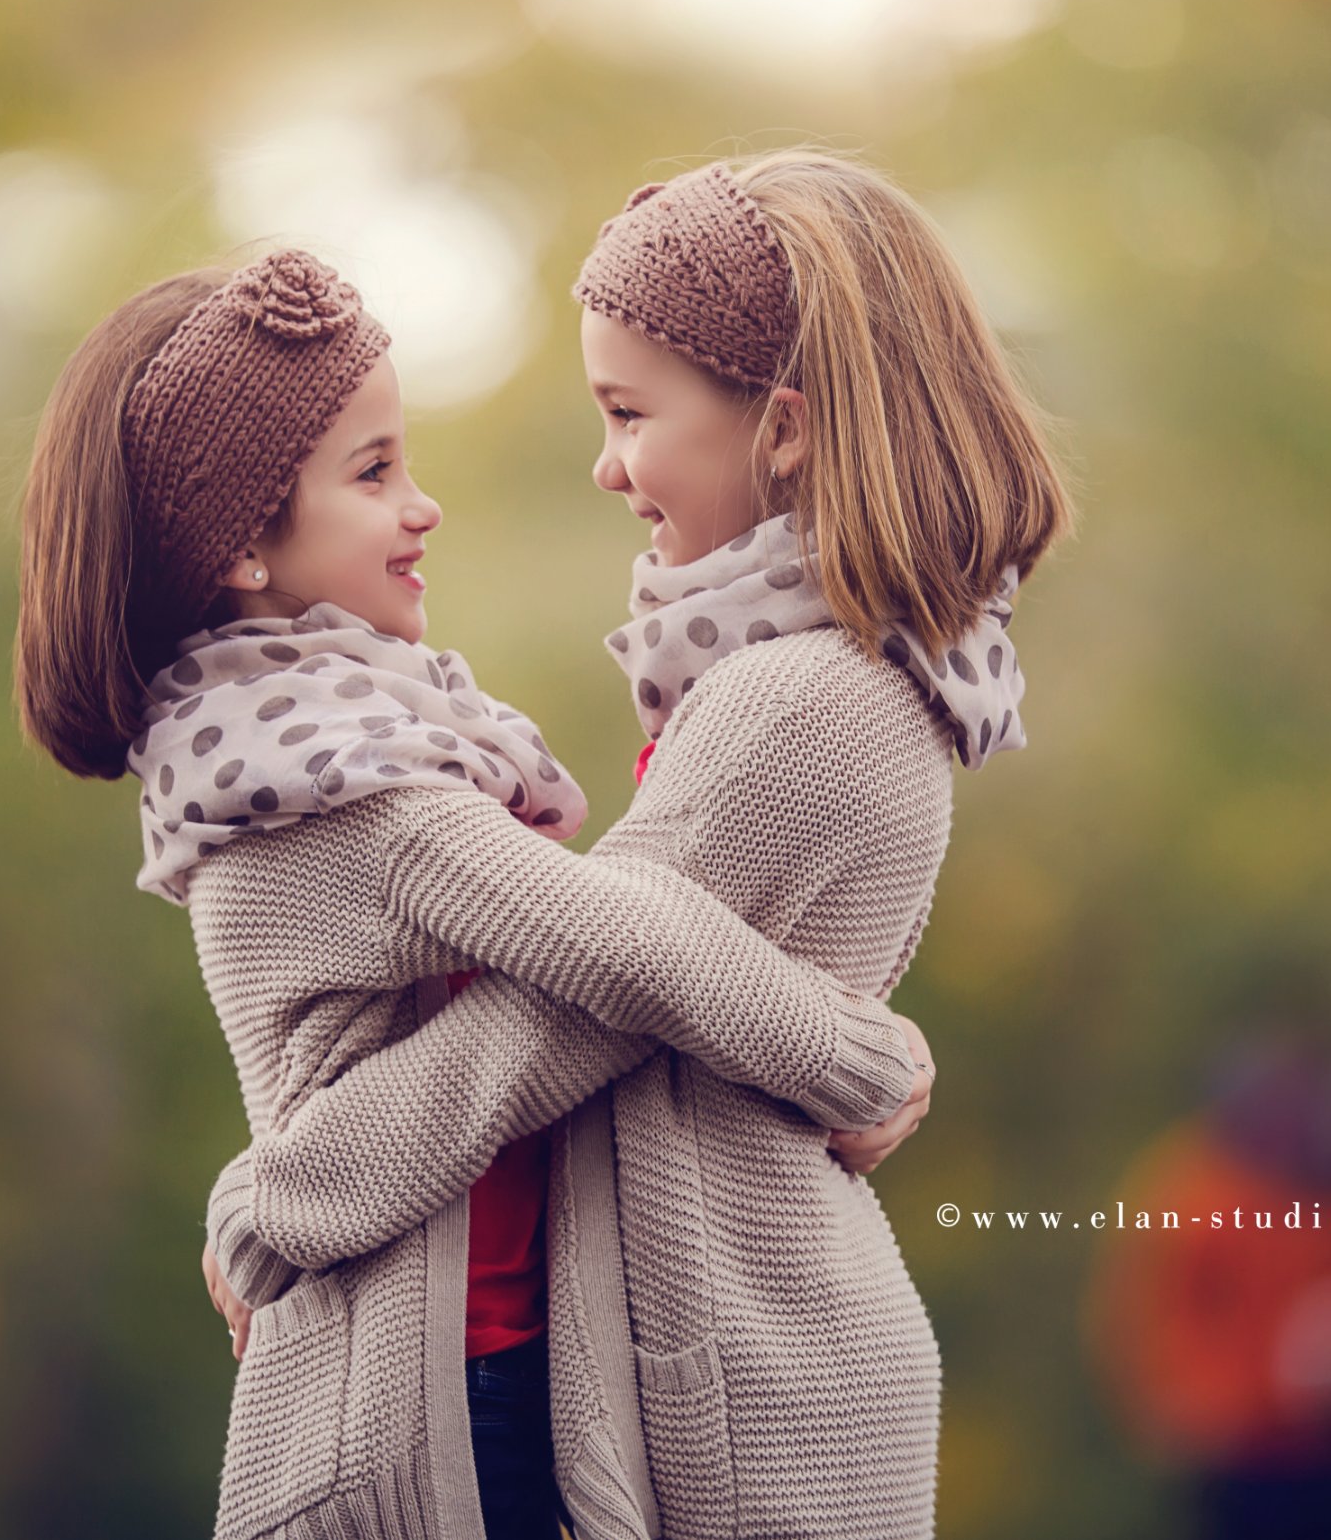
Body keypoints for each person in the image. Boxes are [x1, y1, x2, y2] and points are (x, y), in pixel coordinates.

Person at [203, 150, 1071, 1539]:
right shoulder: (829, 669)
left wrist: (278, 1199)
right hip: (751, 1349)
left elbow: (556, 1015)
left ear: (782, 425)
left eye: (627, 413)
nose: (606, 465)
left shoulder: (797, 699)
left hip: (758, 1381)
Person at [13, 246, 939, 1540]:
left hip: (444, 1395)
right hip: (422, 1417)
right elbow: (620, 951)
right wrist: (854, 1049)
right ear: (239, 549)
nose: (422, 507)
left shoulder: (295, 752)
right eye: (373, 471)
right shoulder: (357, 799)